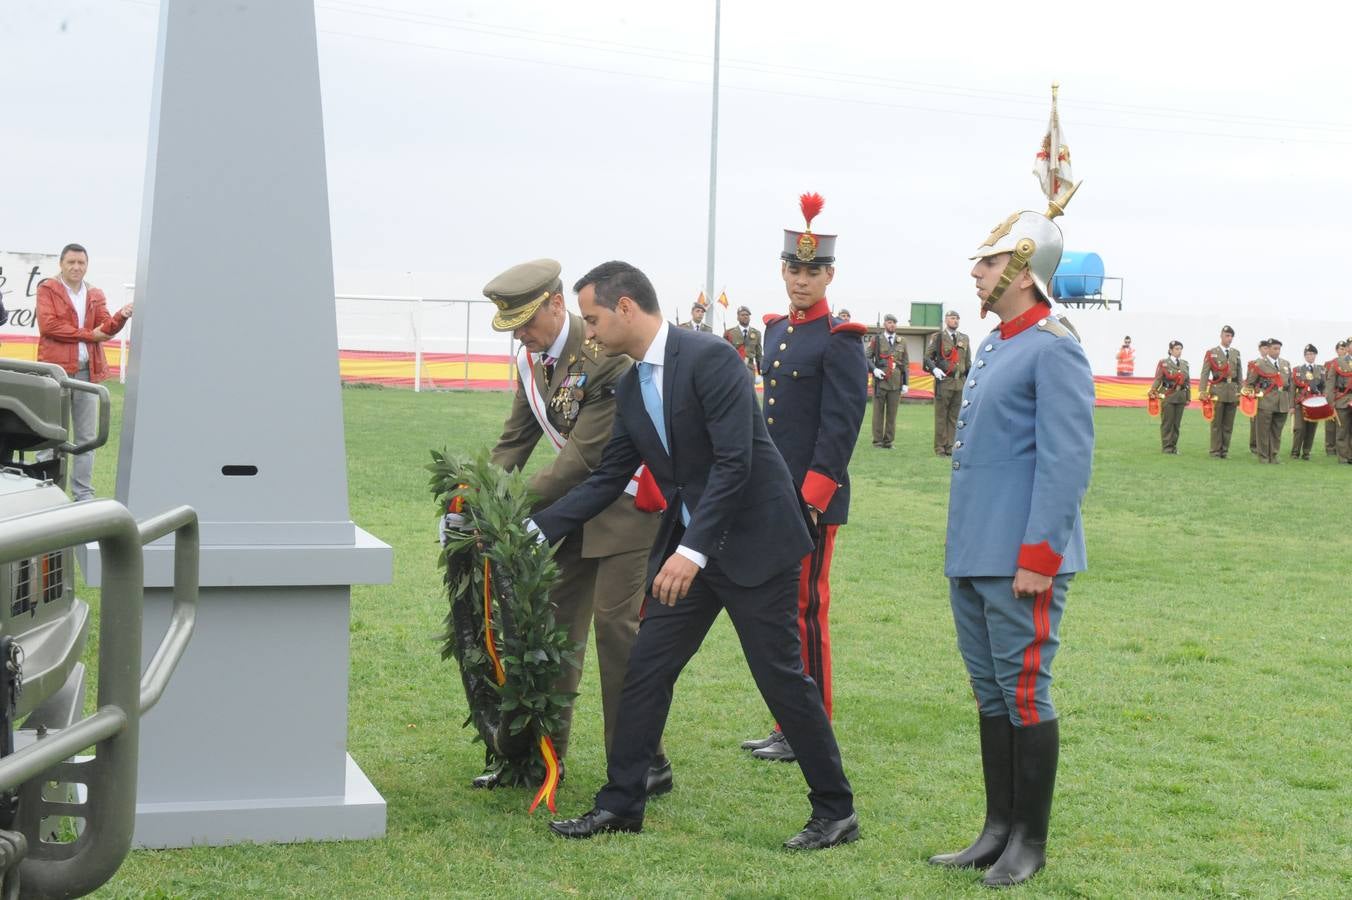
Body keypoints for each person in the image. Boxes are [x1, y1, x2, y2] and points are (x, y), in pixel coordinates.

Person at [535, 261, 857, 850]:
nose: (590, 332)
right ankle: (621, 803)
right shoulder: (631, 385)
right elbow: (607, 478)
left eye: (594, 318)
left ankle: (836, 811)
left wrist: (691, 551)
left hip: (755, 546)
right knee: (645, 668)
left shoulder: (711, 358)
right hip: (694, 550)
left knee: (781, 678)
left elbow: (736, 464)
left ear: (626, 307)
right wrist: (537, 530)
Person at [929, 186, 1094, 888]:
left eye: (989, 262)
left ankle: (1030, 839)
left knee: (1026, 694)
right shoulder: (1000, 343)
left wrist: (1039, 558)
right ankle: (997, 829)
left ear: (1024, 270)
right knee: (990, 693)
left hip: (1022, 559)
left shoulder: (1054, 348)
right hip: (976, 551)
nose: (976, 273)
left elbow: (1065, 463)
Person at [478, 258, 669, 793]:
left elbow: (582, 460)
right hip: (571, 513)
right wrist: (477, 496)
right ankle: (543, 757)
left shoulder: (604, 354)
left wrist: (508, 508)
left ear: (557, 305)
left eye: (525, 322)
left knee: (616, 632)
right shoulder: (531, 359)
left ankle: (642, 762)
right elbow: (515, 442)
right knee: (552, 631)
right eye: (512, 326)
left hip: (626, 506)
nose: (519, 335)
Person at [743, 192, 868, 763]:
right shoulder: (774, 332)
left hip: (812, 502)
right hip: (774, 496)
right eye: (794, 269)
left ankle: (809, 728)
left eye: (813, 271)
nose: (802, 279)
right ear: (783, 270)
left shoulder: (841, 340)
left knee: (806, 612)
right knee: (778, 613)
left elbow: (840, 429)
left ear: (829, 275)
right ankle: (787, 720)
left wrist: (812, 500)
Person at [34, 243, 133, 501]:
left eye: (81, 263)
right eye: (71, 262)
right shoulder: (47, 288)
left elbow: (105, 327)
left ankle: (83, 496)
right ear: (61, 264)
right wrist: (89, 334)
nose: (76, 267)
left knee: (87, 439)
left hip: (87, 373)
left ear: (87, 265)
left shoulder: (95, 293)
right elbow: (49, 326)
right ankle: (45, 493)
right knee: (49, 436)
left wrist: (121, 316)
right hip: (55, 374)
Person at [924, 310, 971, 456]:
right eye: (952, 318)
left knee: (954, 417)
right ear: (946, 320)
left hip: (959, 382)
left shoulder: (964, 338)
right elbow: (927, 357)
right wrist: (934, 369)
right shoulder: (938, 337)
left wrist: (969, 380)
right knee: (941, 416)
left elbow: (967, 362)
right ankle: (940, 448)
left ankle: (951, 447)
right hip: (944, 381)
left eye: (957, 318)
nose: (955, 320)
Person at [1244, 338, 1292, 464]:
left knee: (1277, 431)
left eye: (1279, 349)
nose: (1277, 351)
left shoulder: (1285, 363)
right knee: (1263, 431)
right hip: (1266, 400)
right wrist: (1253, 395)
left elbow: (1290, 384)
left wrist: (1291, 403)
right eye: (1275, 348)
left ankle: (1274, 456)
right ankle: (1264, 457)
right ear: (1269, 349)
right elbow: (1250, 383)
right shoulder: (1259, 364)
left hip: (1282, 401)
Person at [1199, 325, 1242, 458]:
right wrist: (1202, 390)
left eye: (1231, 336)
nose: (1229, 338)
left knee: (1228, 424)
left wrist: (1240, 391)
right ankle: (1215, 450)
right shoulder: (1212, 352)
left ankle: (1224, 451)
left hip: (1232, 391)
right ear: (1221, 336)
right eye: (1227, 336)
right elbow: (1205, 373)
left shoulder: (1236, 353)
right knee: (1216, 423)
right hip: (1218, 390)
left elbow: (1239, 374)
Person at [868, 313, 909, 449]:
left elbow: (905, 363)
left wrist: (905, 382)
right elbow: (867, 357)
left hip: (896, 382)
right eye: (890, 322)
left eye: (894, 323)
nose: (892, 325)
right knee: (878, 413)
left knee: (892, 414)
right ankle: (877, 441)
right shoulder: (877, 339)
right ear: (885, 324)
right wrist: (874, 370)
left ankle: (888, 441)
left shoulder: (902, 341)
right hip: (881, 381)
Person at [1149, 340, 1190, 454]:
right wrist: (1153, 390)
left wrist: (1188, 397)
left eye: (1180, 349)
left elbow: (1187, 382)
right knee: (1167, 423)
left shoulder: (1185, 364)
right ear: (1170, 350)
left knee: (1176, 424)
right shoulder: (1164, 363)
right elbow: (1158, 379)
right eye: (1176, 349)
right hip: (1168, 395)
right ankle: (1167, 447)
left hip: (1181, 396)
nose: (1179, 351)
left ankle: (1173, 447)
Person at [1290, 344, 1324, 460]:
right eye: (1308, 354)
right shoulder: (1298, 370)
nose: (1310, 356)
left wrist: (1324, 401)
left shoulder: (1321, 370)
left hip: (1315, 403)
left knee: (1311, 428)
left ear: (1315, 355)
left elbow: (1324, 386)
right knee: (1299, 428)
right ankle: (1295, 452)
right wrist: (1291, 406)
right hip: (1301, 402)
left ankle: (1306, 452)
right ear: (1304, 356)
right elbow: (1292, 389)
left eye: (1312, 354)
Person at [1329, 339, 1352, 464]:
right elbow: (1330, 383)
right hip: (1342, 399)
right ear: (1348, 348)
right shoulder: (1338, 362)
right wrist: (1330, 401)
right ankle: (1343, 457)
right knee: (1342, 430)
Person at [724, 305, 763, 377]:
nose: (745, 317)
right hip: (734, 368)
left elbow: (759, 355)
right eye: (742, 315)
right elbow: (725, 353)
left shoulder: (756, 333)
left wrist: (760, 372)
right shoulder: (729, 333)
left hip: (750, 368)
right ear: (737, 317)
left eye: (747, 315)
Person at [1249, 339, 1271, 455]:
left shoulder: (1273, 364)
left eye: (1268, 348)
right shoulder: (1254, 363)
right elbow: (1250, 381)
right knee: (1255, 422)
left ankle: (1266, 445)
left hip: (1269, 396)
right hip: (1257, 396)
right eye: (1264, 348)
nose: (1266, 350)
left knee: (1268, 422)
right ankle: (1254, 445)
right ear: (1259, 349)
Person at [1324, 341, 1346, 456]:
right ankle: (1330, 448)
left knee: (1343, 425)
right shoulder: (1329, 364)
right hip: (1333, 395)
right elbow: (1327, 381)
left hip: (1344, 396)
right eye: (1341, 349)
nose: (1343, 351)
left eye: (1344, 348)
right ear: (1336, 350)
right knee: (1330, 425)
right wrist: (1329, 399)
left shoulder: (1349, 363)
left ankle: (1342, 449)